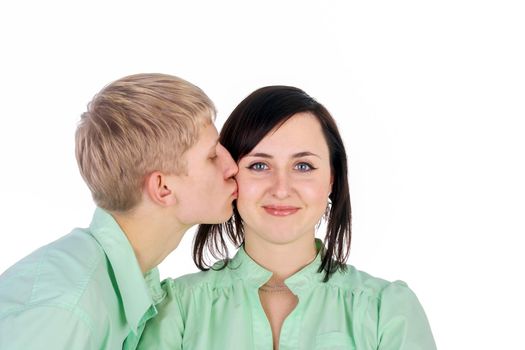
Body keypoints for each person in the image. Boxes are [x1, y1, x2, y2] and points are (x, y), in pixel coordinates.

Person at [138, 85, 436, 349]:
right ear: (229, 173)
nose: (281, 189)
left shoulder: (387, 312)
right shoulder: (176, 310)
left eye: (303, 166)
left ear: (332, 178)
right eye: (258, 166)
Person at [0, 73, 238, 350]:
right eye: (212, 156)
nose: (231, 166)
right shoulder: (67, 313)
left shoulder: (128, 281)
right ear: (162, 188)